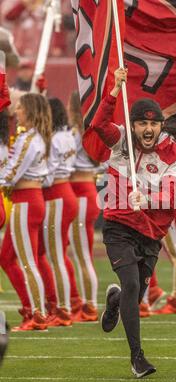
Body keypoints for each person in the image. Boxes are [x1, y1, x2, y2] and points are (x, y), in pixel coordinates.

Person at [83, 67, 176, 378]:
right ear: (133, 124)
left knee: (132, 294)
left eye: (153, 123)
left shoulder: (175, 155)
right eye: (142, 122)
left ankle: (114, 298)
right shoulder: (121, 141)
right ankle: (137, 358)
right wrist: (114, 89)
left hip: (152, 233)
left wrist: (150, 198)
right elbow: (98, 124)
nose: (147, 129)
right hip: (119, 226)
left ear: (161, 126)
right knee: (131, 284)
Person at [0, 93, 51, 331]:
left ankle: (38, 313)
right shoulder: (32, 137)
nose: (16, 111)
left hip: (26, 200)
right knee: (8, 256)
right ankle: (31, 307)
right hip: (28, 198)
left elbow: (13, 171)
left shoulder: (30, 139)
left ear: (29, 111)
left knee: (27, 261)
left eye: (20, 108)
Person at [42, 97, 80, 321]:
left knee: (56, 256)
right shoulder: (67, 136)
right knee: (60, 254)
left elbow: (50, 173)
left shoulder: (56, 138)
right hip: (67, 191)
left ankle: (64, 308)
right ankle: (70, 302)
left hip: (57, 193)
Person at [68, 90, 105, 321]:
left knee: (82, 254)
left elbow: (65, 164)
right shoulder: (92, 133)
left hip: (81, 192)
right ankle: (87, 303)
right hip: (89, 191)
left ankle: (90, 305)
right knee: (83, 252)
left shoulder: (76, 134)